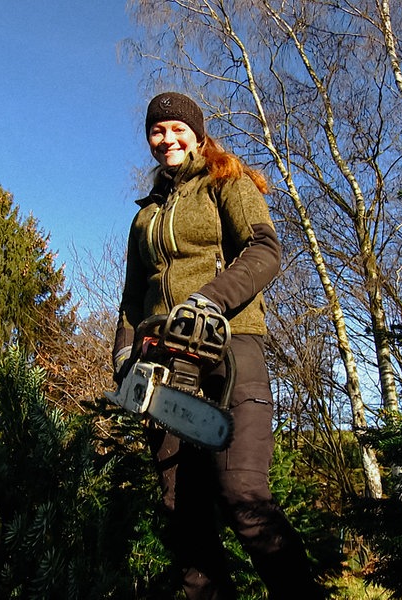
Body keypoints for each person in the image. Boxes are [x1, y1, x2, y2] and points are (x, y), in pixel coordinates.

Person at [113, 91, 326, 600]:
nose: (166, 139)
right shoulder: (144, 218)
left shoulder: (225, 181)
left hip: (230, 351)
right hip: (163, 369)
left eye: (176, 128)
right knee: (181, 516)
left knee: (242, 493)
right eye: (156, 131)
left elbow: (266, 249)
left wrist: (208, 300)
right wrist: (124, 356)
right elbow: (130, 300)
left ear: (197, 133)